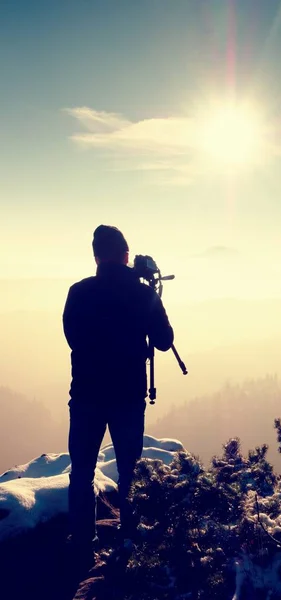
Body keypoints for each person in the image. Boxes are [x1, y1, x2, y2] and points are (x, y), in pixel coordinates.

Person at [63, 225, 174, 566]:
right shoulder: (141, 295)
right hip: (127, 396)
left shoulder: (78, 293)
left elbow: (72, 338)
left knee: (81, 471)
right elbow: (164, 340)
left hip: (85, 395)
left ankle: (83, 544)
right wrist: (151, 291)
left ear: (96, 257)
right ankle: (128, 541)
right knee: (130, 470)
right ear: (126, 256)